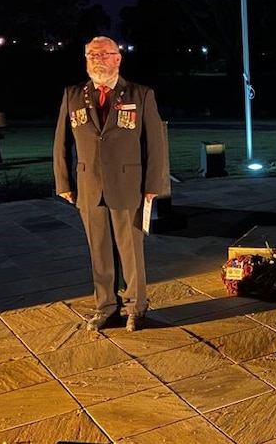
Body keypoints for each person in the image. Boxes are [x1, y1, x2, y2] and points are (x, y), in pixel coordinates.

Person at [53, 36, 167, 332]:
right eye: (92, 54)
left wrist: (154, 184)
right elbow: (61, 142)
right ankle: (106, 306)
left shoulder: (140, 94)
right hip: (89, 185)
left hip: (129, 185)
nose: (97, 59)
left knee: (131, 250)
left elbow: (154, 143)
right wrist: (64, 181)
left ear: (118, 58)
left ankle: (136, 307)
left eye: (104, 54)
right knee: (99, 251)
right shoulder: (74, 94)